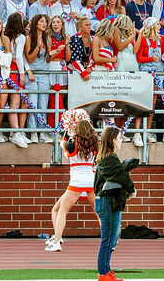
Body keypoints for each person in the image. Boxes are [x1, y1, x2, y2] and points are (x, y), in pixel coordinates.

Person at [93, 124, 138, 281]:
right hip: (106, 201)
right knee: (107, 239)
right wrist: (131, 188)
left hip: (110, 201)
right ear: (113, 140)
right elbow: (119, 175)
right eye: (120, 138)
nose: (121, 140)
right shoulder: (108, 158)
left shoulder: (109, 157)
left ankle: (106, 270)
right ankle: (103, 273)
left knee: (112, 239)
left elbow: (118, 174)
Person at [47, 116, 99, 251]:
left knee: (62, 210)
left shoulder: (72, 145)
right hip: (91, 180)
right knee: (99, 212)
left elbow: (62, 144)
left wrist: (66, 132)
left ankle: (56, 242)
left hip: (77, 181)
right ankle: (110, 241)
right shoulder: (94, 146)